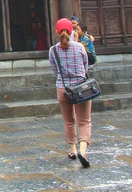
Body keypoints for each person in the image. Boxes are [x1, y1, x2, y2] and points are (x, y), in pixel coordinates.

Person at [48, 18, 92, 168]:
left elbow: (55, 70)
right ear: (72, 31)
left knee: (69, 121)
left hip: (63, 88)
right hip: (81, 88)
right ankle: (83, 150)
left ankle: (72, 150)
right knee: (84, 121)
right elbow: (86, 67)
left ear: (57, 32)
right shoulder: (79, 47)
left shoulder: (53, 50)